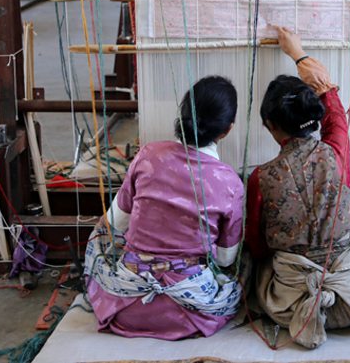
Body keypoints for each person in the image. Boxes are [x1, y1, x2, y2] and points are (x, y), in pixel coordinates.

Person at [245, 27, 350, 349]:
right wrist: (299, 54)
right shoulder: (336, 153)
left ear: (269, 125)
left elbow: (257, 243)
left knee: (253, 261)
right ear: (316, 119)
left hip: (289, 306)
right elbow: (333, 105)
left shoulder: (261, 178)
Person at [84, 76, 244, 339]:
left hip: (127, 307)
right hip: (190, 313)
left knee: (101, 234)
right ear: (227, 129)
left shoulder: (148, 155)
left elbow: (115, 223)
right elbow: (225, 259)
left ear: (181, 116)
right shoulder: (229, 183)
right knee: (242, 269)